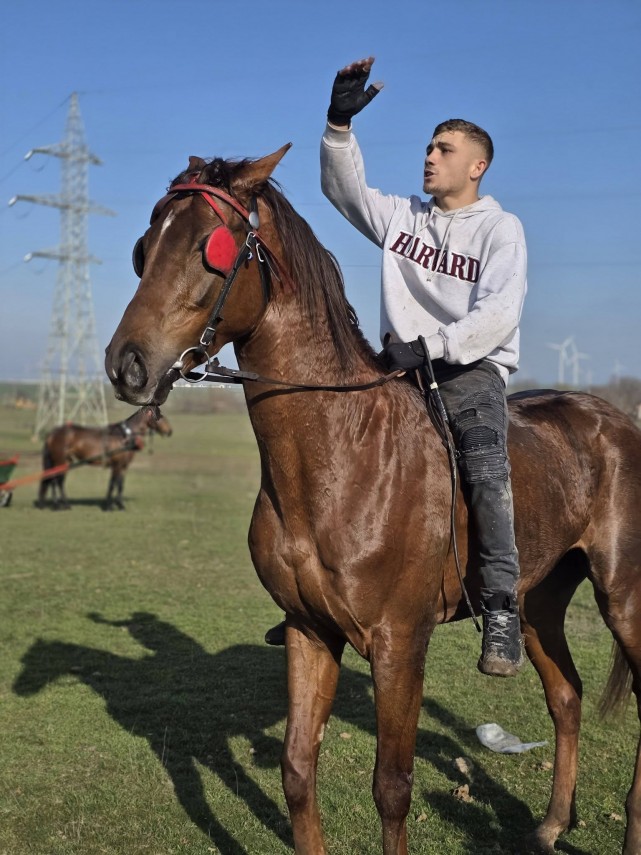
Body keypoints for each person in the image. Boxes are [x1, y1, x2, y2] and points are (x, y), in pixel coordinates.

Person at [266, 57, 527, 678]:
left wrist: (435, 344)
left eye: (445, 148)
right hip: (396, 367)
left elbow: (500, 312)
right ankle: (320, 595)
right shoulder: (403, 217)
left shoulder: (500, 229)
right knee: (329, 455)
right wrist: (337, 125)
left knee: (486, 467)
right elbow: (344, 191)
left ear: (476, 166)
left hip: (468, 371)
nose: (430, 157)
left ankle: (500, 607)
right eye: (429, 147)